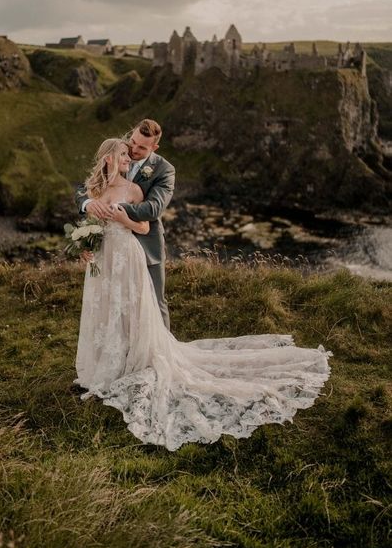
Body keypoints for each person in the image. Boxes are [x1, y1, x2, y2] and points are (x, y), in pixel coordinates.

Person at [74, 137, 332, 452]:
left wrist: (121, 217)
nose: (128, 161)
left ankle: (129, 361)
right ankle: (103, 364)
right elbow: (85, 221)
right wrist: (84, 248)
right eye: (123, 157)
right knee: (104, 312)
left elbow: (143, 228)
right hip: (103, 261)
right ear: (108, 159)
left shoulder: (134, 191)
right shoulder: (93, 190)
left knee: (129, 310)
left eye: (130, 156)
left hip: (127, 256)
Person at [76, 119, 175, 328]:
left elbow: (153, 209)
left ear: (154, 147)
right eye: (132, 141)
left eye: (141, 147)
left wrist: (114, 208)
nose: (133, 150)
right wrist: (88, 203)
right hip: (111, 249)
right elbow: (87, 186)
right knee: (114, 301)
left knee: (154, 301)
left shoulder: (164, 170)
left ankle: (160, 354)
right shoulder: (119, 152)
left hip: (146, 245)